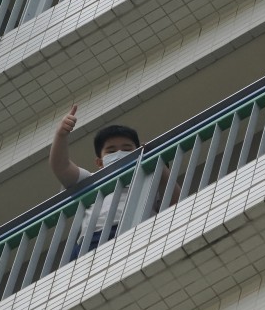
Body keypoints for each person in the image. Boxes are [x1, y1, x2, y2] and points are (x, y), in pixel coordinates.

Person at [50, 105, 177, 258]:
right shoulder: (90, 179)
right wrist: (60, 135)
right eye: (111, 150)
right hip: (93, 239)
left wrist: (159, 164)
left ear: (138, 152)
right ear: (99, 162)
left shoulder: (149, 180)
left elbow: (175, 203)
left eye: (127, 148)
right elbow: (61, 167)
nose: (119, 153)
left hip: (142, 229)